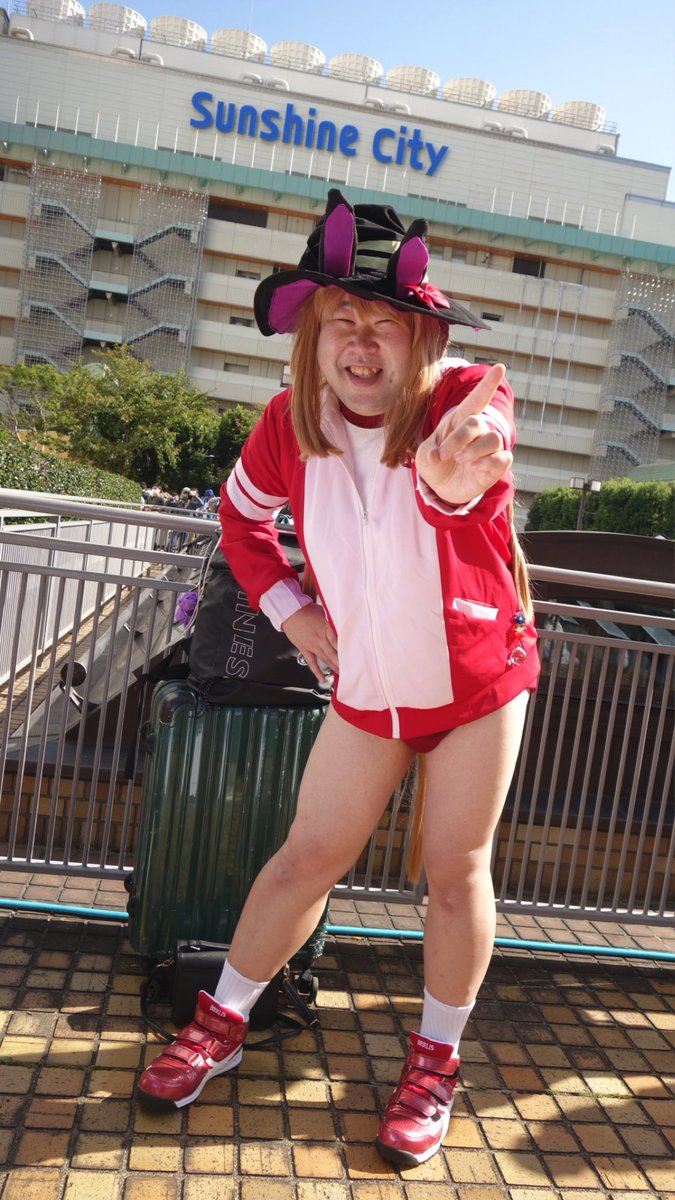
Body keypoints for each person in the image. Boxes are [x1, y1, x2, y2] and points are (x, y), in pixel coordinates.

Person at [137, 190, 540, 1168]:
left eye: (385, 321)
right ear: (312, 335)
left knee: (454, 872)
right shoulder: (288, 424)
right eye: (341, 318)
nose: (362, 341)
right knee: (302, 860)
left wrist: (455, 480)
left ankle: (434, 1064)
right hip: (367, 691)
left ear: (421, 336)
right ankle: (221, 1022)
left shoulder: (462, 399)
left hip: (476, 685)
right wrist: (291, 613)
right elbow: (241, 523)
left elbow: (478, 459)